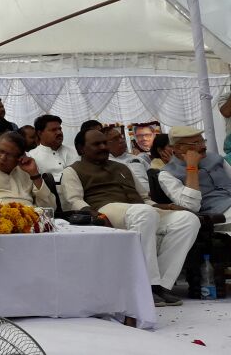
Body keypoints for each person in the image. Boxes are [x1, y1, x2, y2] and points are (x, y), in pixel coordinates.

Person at [60, 129, 200, 307]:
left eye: (104, 143)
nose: (103, 147)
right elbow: (74, 201)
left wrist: (168, 207)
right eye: (96, 144)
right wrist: (95, 215)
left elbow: (145, 199)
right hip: (105, 210)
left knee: (188, 220)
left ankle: (161, 285)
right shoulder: (73, 171)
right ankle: (145, 285)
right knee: (144, 213)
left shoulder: (122, 167)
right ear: (81, 148)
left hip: (140, 210)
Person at [157, 126, 231, 233]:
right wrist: (192, 167)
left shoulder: (214, 157)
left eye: (203, 141)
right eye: (196, 143)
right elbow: (191, 206)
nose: (203, 146)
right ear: (178, 148)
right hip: (219, 215)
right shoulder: (167, 174)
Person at [0, 132, 56, 208]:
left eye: (9, 155)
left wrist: (35, 174)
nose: (2, 157)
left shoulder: (27, 173)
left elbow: (50, 207)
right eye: (0, 151)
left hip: (29, 216)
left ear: (20, 157)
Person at [27, 115, 77, 181]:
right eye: (53, 130)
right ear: (40, 133)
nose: (59, 132)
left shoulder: (75, 151)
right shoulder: (31, 157)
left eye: (60, 129)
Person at [107, 125, 149, 192]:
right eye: (115, 139)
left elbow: (152, 174)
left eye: (121, 137)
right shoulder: (106, 164)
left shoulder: (136, 158)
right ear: (105, 144)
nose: (121, 141)